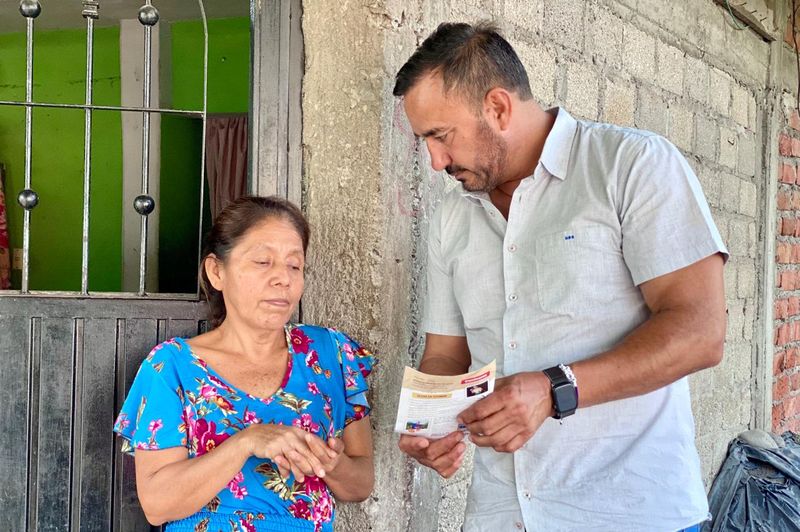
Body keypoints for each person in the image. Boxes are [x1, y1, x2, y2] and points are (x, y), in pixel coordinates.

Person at [393, 22, 727, 532]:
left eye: (441, 137)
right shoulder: (452, 218)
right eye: (426, 142)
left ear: (498, 108)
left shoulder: (630, 165)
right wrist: (425, 422)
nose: (436, 160)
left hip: (630, 512)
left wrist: (556, 389)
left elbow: (700, 331)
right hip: (501, 515)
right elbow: (446, 353)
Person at [113, 196, 374, 531]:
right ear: (216, 271)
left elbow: (361, 483)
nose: (283, 278)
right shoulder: (172, 366)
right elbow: (157, 505)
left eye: (295, 265)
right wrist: (247, 441)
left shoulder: (331, 354)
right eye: (263, 262)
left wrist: (329, 464)